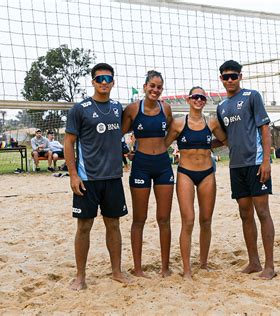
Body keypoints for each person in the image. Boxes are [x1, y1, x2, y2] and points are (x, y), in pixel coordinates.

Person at [65, 62, 130, 290]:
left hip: (112, 178)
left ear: (113, 82)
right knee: (84, 226)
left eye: (108, 79)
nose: (104, 82)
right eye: (99, 79)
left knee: (114, 225)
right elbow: (69, 142)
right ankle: (80, 276)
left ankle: (116, 271)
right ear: (93, 82)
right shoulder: (80, 109)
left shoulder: (117, 108)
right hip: (87, 178)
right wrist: (73, 175)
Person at [216, 60, 276, 280]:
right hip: (236, 166)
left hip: (256, 163)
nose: (230, 80)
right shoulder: (221, 107)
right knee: (244, 214)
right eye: (226, 76)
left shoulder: (252, 96)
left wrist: (266, 161)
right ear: (221, 79)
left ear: (240, 76)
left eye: (233, 76)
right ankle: (254, 261)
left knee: (262, 212)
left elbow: (264, 130)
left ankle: (270, 265)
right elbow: (224, 138)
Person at [164, 86, 228, 279]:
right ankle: (186, 269)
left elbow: (225, 140)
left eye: (202, 97)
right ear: (189, 99)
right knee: (188, 220)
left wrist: (206, 144)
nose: (199, 100)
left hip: (207, 173)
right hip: (185, 173)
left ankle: (204, 264)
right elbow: (163, 145)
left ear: (204, 101)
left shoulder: (212, 122)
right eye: (195, 97)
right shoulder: (177, 123)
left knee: (206, 220)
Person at [121, 70, 174, 277]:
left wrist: (164, 146)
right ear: (145, 87)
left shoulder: (166, 108)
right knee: (139, 218)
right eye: (152, 85)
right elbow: (120, 133)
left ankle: (165, 267)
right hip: (141, 164)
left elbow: (172, 131)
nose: (155, 90)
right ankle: (137, 268)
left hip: (163, 164)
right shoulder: (133, 109)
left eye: (159, 87)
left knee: (164, 218)